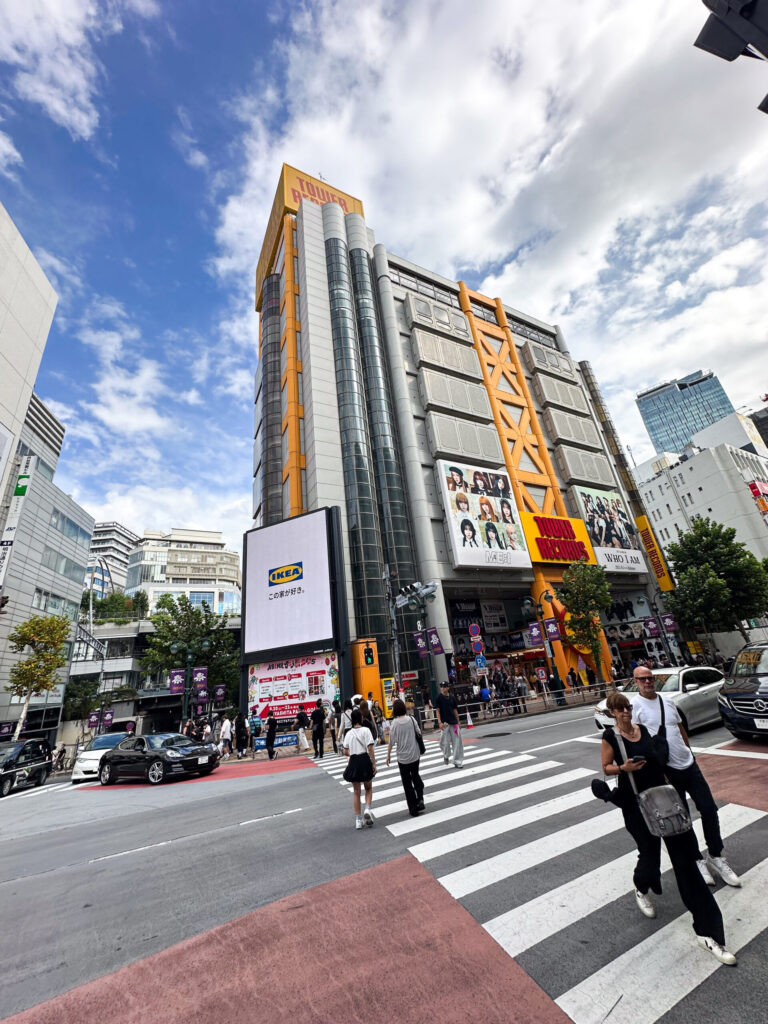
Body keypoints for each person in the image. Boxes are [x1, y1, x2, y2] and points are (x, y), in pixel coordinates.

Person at [594, 691, 736, 965]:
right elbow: (606, 767)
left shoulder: (644, 730)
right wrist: (623, 767)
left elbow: (662, 762)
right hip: (637, 807)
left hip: (664, 801)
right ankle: (641, 886)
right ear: (612, 713)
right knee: (649, 856)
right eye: (619, 709)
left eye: (627, 707)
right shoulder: (611, 738)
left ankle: (708, 933)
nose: (625, 712)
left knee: (686, 865)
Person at [630, 666, 741, 888]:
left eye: (651, 678)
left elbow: (680, 728)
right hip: (667, 770)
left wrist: (689, 752)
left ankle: (716, 856)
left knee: (709, 809)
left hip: (689, 765)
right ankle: (697, 859)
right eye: (643, 679)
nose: (648, 682)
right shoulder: (635, 707)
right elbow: (636, 738)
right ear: (635, 682)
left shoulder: (667, 701)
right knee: (682, 818)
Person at [386, 698, 425, 817]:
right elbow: (419, 733)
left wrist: (388, 755)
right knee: (415, 775)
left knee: (407, 783)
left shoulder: (394, 724)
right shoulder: (412, 719)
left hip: (402, 758)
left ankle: (413, 809)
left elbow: (391, 742)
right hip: (414, 754)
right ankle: (420, 797)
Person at [342, 707, 377, 829]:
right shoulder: (366, 730)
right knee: (368, 788)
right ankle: (367, 809)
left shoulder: (348, 733)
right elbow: (370, 748)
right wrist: (373, 763)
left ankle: (358, 820)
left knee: (356, 792)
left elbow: (345, 751)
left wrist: (352, 752)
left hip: (354, 761)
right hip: (364, 760)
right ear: (361, 719)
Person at [435, 681, 463, 768]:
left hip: (454, 723)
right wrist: (439, 722)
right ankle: (446, 755)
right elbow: (437, 711)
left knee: (457, 742)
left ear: (448, 688)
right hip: (444, 723)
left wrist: (458, 721)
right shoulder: (438, 698)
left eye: (444, 687)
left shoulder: (452, 697)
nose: (443, 688)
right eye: (441, 687)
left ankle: (457, 761)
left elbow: (455, 710)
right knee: (444, 742)